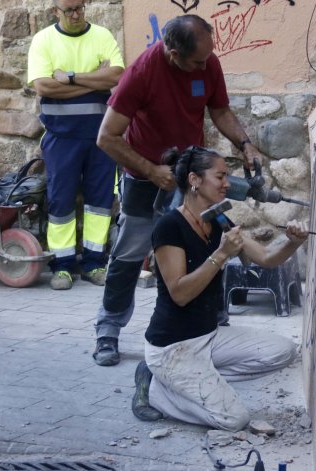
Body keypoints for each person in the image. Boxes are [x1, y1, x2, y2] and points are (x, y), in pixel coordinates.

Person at [91, 14, 268, 365]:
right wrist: (151, 170)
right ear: (173, 54)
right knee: (129, 255)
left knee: (206, 247)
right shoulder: (142, 73)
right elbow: (106, 137)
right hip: (144, 178)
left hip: (190, 177)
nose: (206, 65)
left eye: (208, 57)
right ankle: (108, 330)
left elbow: (219, 110)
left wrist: (245, 144)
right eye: (197, 61)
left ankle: (213, 324)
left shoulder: (207, 62)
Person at [130, 146, 308, 430]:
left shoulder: (219, 219)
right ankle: (155, 389)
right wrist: (222, 255)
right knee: (234, 419)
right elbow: (180, 293)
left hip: (209, 338)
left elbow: (265, 258)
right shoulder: (169, 226)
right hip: (173, 345)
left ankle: (193, 380)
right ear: (195, 180)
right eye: (220, 176)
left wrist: (293, 242)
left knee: (282, 351)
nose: (227, 183)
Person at [27, 0, 124, 290]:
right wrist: (96, 81)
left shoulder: (102, 35)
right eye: (69, 10)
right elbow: (43, 86)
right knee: (61, 201)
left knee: (100, 201)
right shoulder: (43, 40)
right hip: (61, 137)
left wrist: (70, 78)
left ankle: (95, 262)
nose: (76, 14)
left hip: (101, 137)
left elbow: (117, 76)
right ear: (55, 11)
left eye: (80, 7)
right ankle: (63, 266)